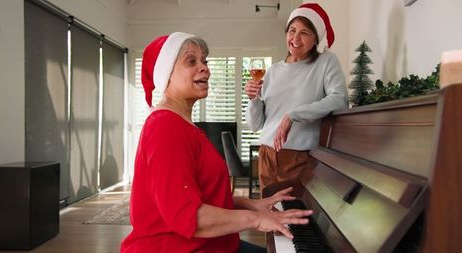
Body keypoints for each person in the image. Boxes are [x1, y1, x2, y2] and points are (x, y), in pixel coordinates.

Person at [120, 32, 313, 253]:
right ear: (167, 75)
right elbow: (188, 216)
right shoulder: (165, 127)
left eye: (205, 61)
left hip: (217, 245)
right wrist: (257, 219)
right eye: (191, 61)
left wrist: (255, 204)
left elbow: (206, 195)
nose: (205, 68)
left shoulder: (182, 125)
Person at [245, 3, 349, 190]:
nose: (296, 38)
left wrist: (293, 115)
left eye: (304, 33)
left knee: (294, 214)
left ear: (315, 39)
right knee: (268, 214)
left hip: (298, 157)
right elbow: (255, 125)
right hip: (267, 154)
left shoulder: (325, 62)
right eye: (292, 30)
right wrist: (253, 100)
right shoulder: (272, 71)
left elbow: (340, 99)